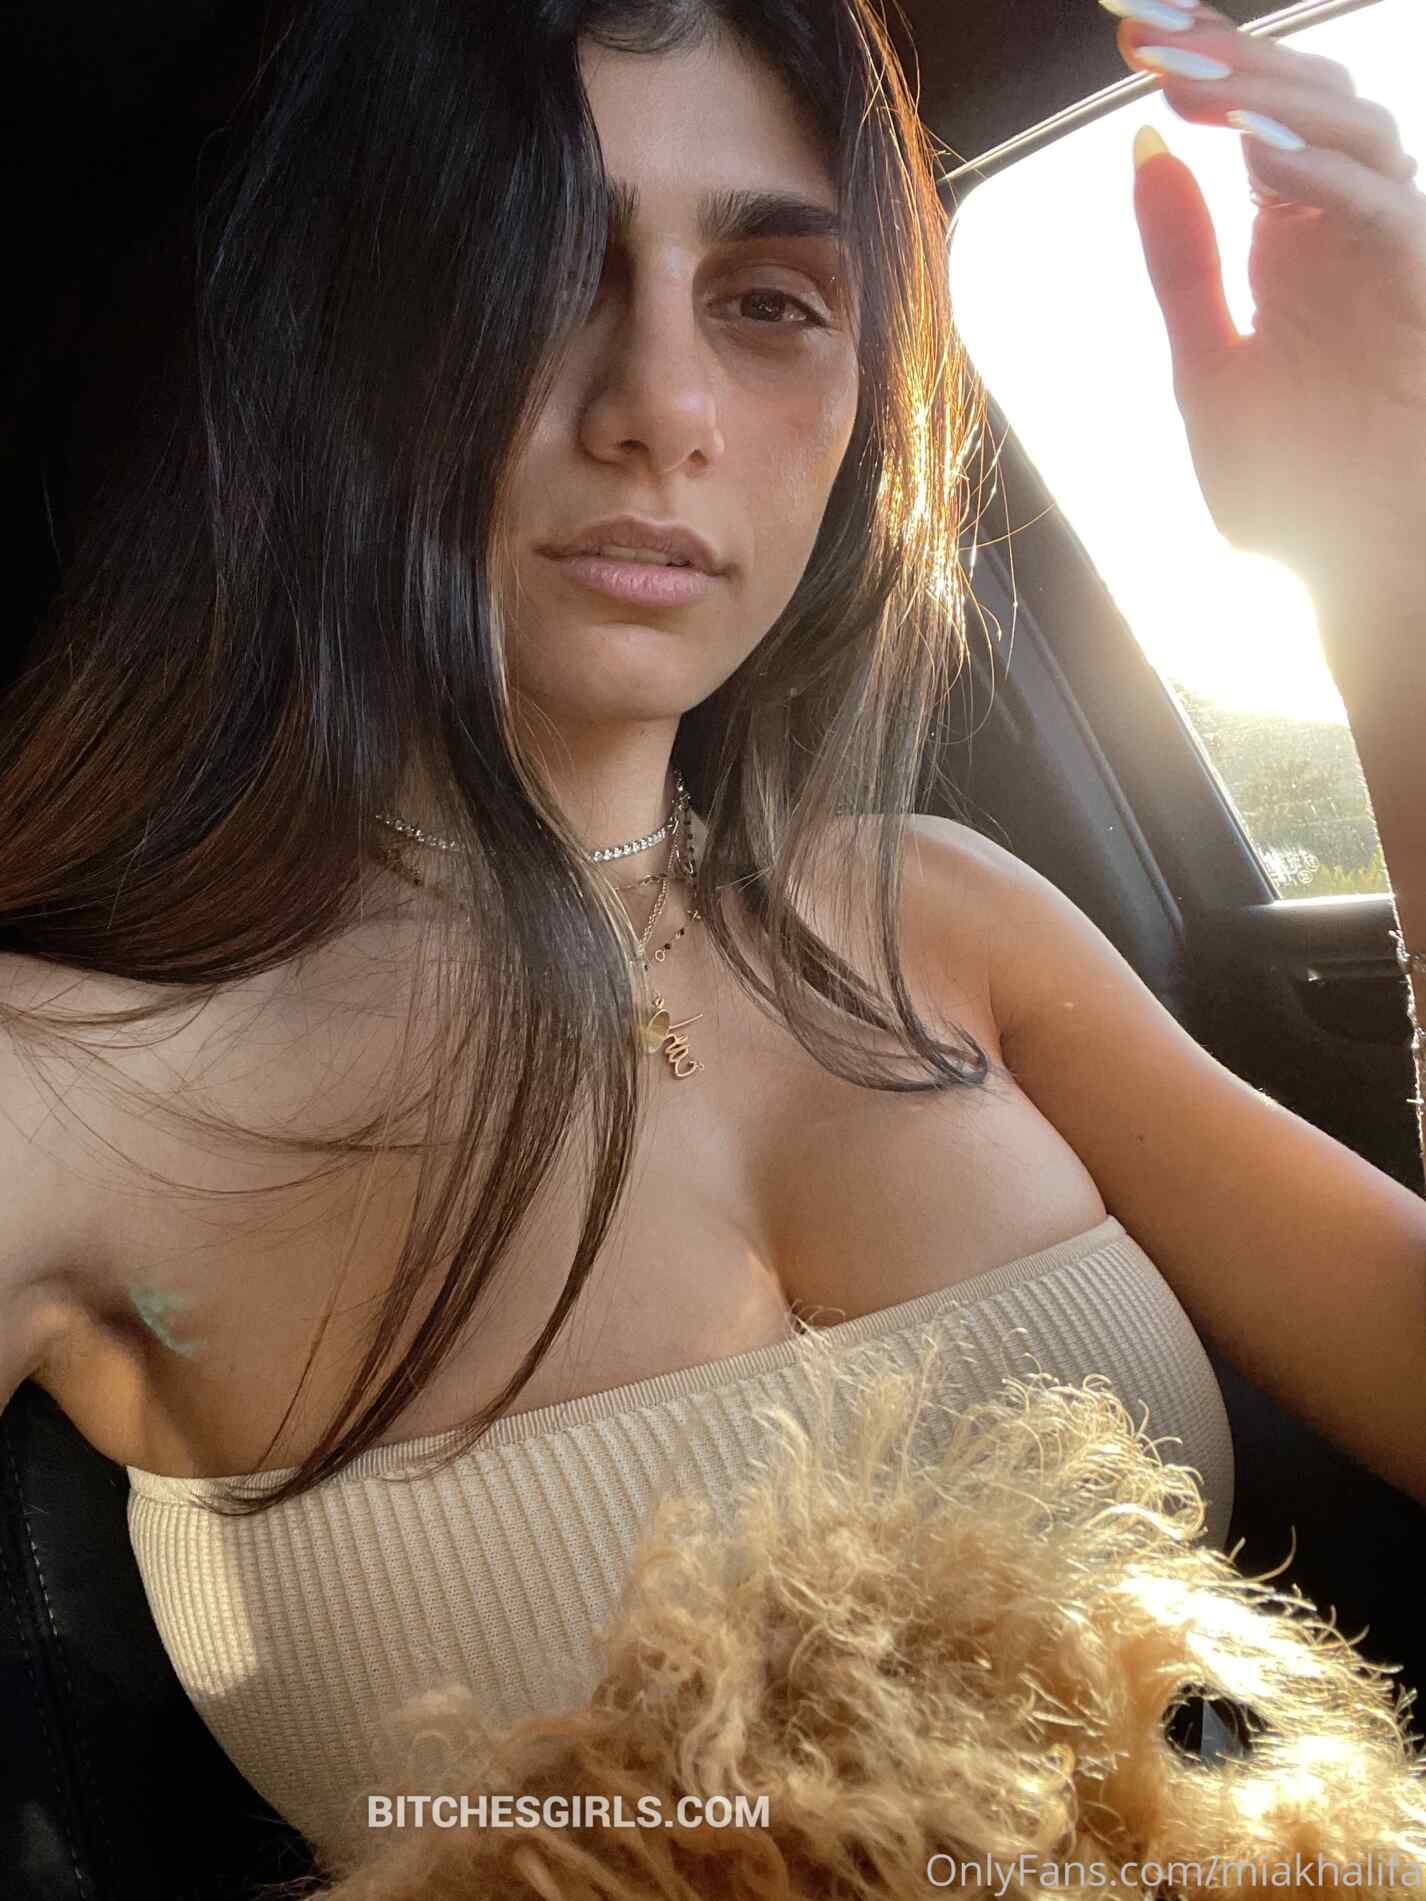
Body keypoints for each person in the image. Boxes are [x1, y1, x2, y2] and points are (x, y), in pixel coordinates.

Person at [0, 0, 1422, 1871]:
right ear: (313, 347)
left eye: (766, 300)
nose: (661, 408)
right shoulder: (77, 1078)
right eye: (526, 272)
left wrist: (1383, 556)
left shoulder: (937, 912)